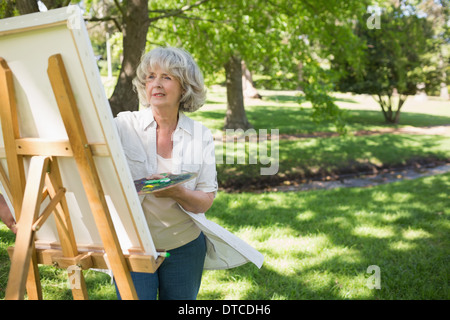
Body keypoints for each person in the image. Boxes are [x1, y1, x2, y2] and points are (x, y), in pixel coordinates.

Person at [114, 47, 217, 300]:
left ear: (184, 87)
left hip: (185, 247)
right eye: (150, 77)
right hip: (134, 246)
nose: (156, 84)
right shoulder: (123, 125)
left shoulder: (201, 135)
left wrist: (178, 192)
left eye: (166, 77)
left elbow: (206, 200)